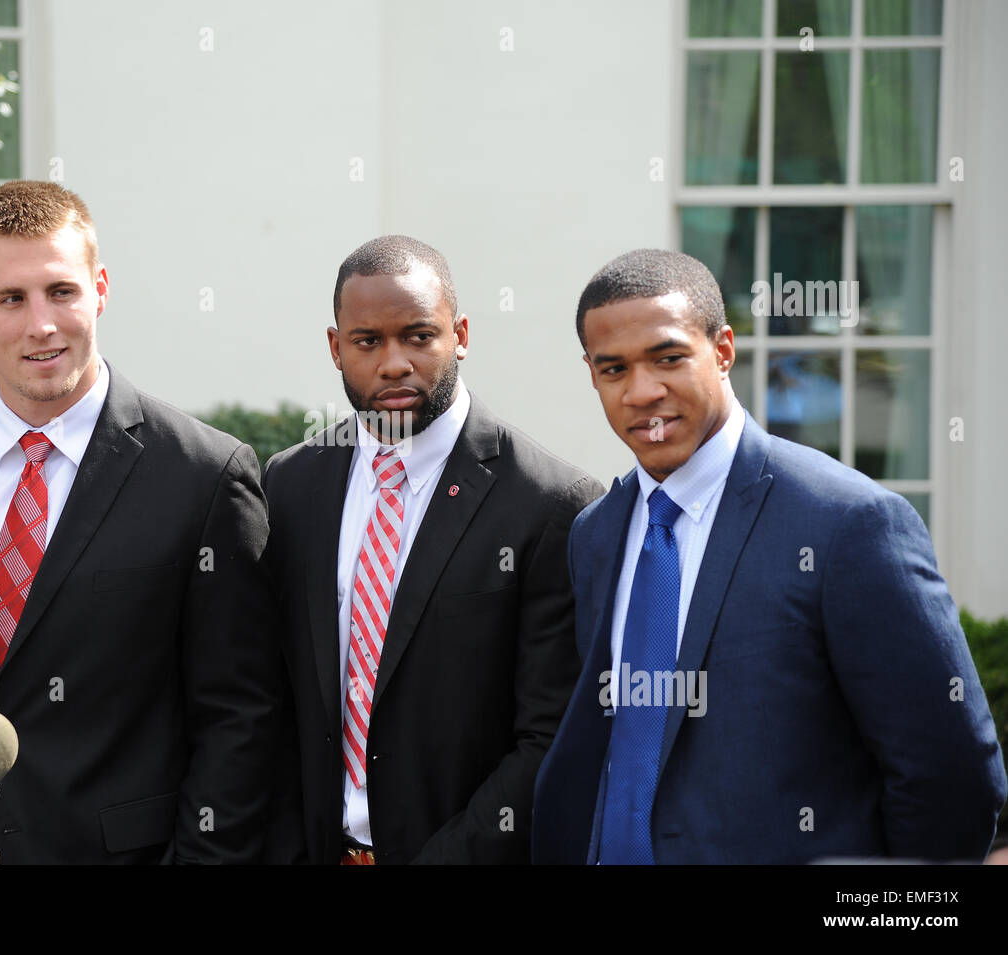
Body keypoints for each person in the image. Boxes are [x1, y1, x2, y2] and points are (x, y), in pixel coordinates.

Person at [0, 180, 282, 863]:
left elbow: (240, 721)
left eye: (61, 291)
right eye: (11, 298)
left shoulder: (204, 474)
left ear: (99, 288)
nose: (42, 324)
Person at [532, 248, 1007, 864]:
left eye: (669, 358)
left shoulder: (848, 523)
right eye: (614, 369)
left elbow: (950, 774)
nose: (642, 391)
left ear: (724, 350)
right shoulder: (595, 534)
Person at [264, 235, 604, 864]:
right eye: (367, 342)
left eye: (419, 336)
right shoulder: (289, 485)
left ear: (461, 334)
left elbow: (551, 738)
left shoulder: (552, 503)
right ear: (336, 349)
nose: (394, 363)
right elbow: (268, 699)